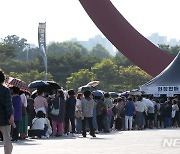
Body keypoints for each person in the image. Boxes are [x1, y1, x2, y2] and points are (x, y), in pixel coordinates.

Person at [0, 70, 14, 154]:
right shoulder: (5, 90)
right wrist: (11, 115)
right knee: (7, 139)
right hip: (4, 118)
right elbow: (8, 104)